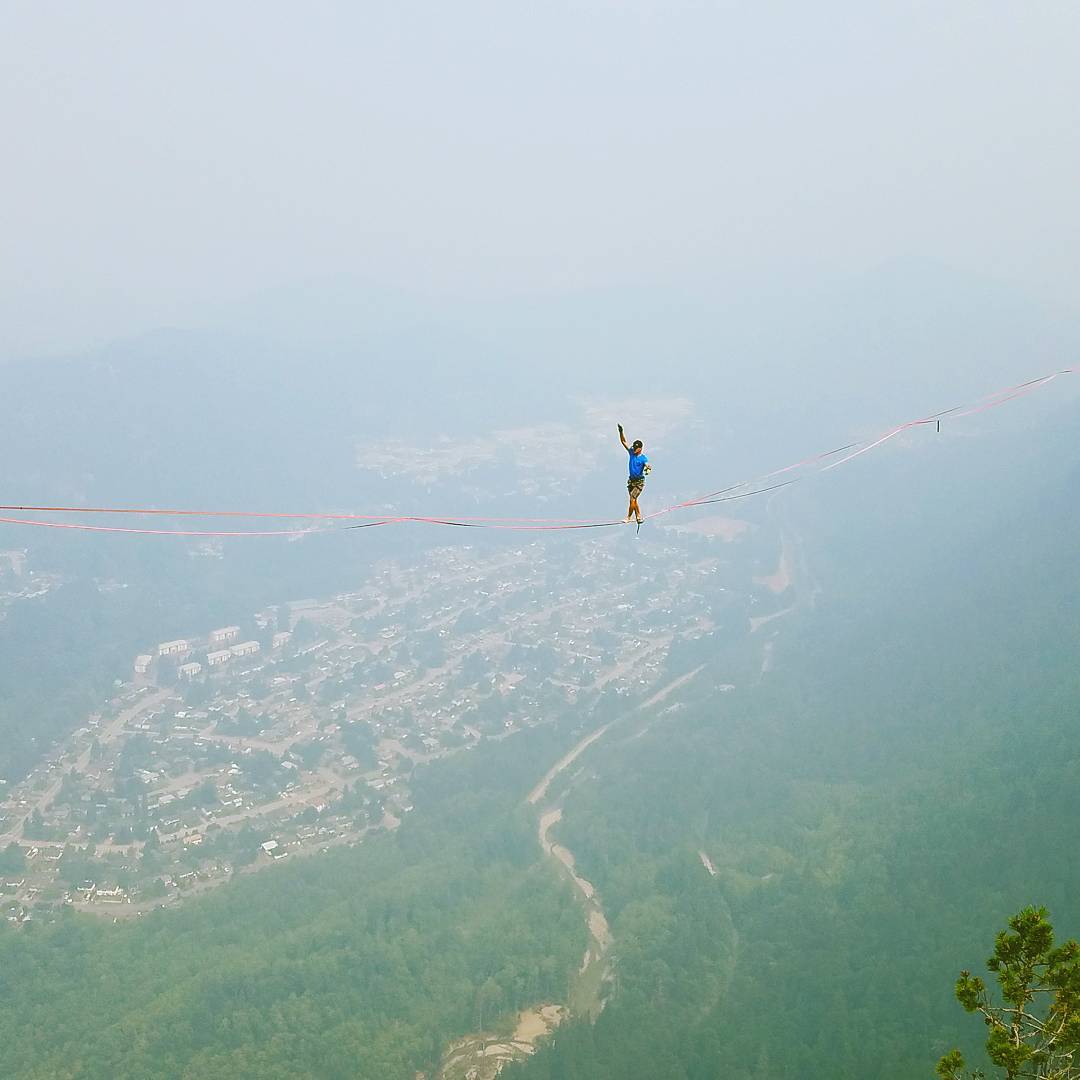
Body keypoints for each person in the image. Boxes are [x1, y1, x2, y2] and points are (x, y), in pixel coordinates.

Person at [618, 423, 649, 524]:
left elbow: (647, 464)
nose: (634, 450)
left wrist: (648, 467)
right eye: (634, 448)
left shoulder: (643, 458)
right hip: (631, 481)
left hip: (639, 482)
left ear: (640, 448)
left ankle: (628, 517)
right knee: (633, 501)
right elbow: (623, 441)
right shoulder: (631, 452)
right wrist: (621, 432)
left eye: (636, 448)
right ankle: (639, 516)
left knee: (632, 498)